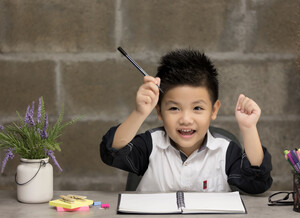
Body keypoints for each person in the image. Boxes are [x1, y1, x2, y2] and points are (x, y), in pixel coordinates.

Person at [100, 49, 272, 194]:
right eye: (174, 108)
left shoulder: (225, 151)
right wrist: (139, 112)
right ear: (159, 111)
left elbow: (256, 183)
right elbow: (112, 151)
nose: (186, 119)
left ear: (214, 110)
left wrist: (249, 128)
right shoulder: (150, 145)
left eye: (197, 108)